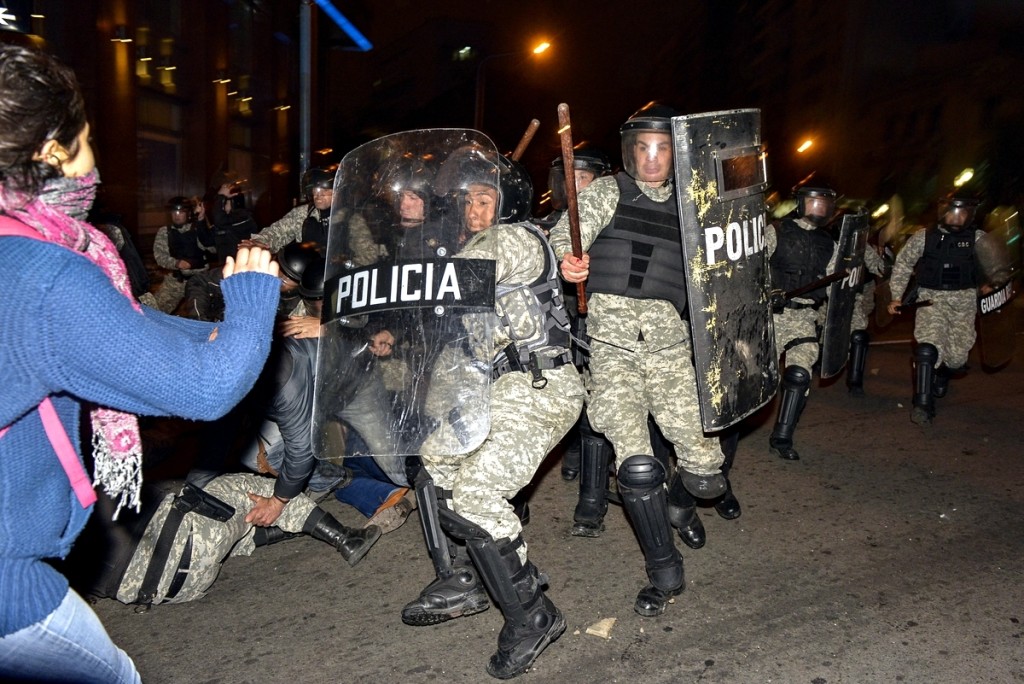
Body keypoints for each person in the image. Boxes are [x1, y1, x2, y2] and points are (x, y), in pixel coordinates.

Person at [0, 44, 281, 684]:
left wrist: (213, 331)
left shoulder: (29, 250)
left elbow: (122, 327)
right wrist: (253, 299)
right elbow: (207, 392)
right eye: (87, 140)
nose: (96, 158)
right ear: (50, 152)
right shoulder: (43, 276)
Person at [402, 143, 584, 679]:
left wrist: (383, 287)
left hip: (540, 386)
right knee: (433, 467)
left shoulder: (515, 240)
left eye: (484, 199)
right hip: (491, 391)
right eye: (467, 203)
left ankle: (533, 616)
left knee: (478, 495)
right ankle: (466, 580)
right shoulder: (465, 248)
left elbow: (455, 280)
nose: (474, 210)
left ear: (508, 203)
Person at [551, 103, 728, 617]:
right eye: (643, 149)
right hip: (613, 349)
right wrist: (568, 258)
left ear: (678, 153)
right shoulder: (608, 190)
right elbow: (568, 231)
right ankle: (664, 571)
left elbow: (733, 253)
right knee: (637, 464)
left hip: (672, 349)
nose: (653, 159)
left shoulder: (696, 204)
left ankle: (679, 504)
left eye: (664, 148)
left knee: (705, 473)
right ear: (631, 152)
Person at [241, 259, 411, 533]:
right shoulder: (296, 318)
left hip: (356, 391)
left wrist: (329, 329)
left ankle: (436, 494)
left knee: (394, 464)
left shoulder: (358, 306)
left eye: (324, 298)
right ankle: (340, 479)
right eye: (313, 299)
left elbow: (376, 328)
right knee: (258, 456)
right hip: (308, 395)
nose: (319, 304)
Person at [70, 474, 380, 607]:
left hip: (171, 594)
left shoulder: (42, 532)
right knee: (242, 489)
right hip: (187, 550)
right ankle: (345, 538)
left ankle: (298, 525)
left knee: (221, 532)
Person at [886, 189, 1004, 424]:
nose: (956, 217)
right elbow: (903, 264)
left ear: (970, 214)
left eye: (962, 212)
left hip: (964, 302)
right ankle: (922, 404)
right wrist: (896, 296)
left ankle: (941, 374)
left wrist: (994, 285)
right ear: (943, 211)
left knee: (957, 359)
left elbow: (999, 270)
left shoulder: (979, 239)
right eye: (952, 211)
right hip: (931, 299)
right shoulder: (924, 237)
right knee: (927, 349)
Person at [765, 177, 840, 460]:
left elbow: (834, 283)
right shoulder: (776, 231)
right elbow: (752, 267)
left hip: (804, 316)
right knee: (759, 378)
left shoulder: (829, 244)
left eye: (824, 202)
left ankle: (782, 437)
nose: (818, 208)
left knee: (799, 372)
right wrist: (768, 291)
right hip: (771, 316)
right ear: (800, 202)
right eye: (813, 201)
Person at [243, 166, 379, 266]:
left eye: (325, 190)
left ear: (337, 193)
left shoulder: (352, 219)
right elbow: (278, 231)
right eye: (315, 190)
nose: (318, 195)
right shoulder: (302, 214)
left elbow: (369, 254)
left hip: (336, 280)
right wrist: (260, 242)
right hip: (305, 277)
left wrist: (346, 263)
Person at [151, 195, 216, 314]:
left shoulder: (198, 229)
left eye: (181, 212)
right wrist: (176, 263)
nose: (176, 215)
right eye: (174, 212)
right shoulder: (165, 232)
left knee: (201, 313)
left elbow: (212, 248)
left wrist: (202, 221)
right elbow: (160, 256)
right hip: (177, 280)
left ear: (188, 213)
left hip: (200, 280)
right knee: (154, 311)